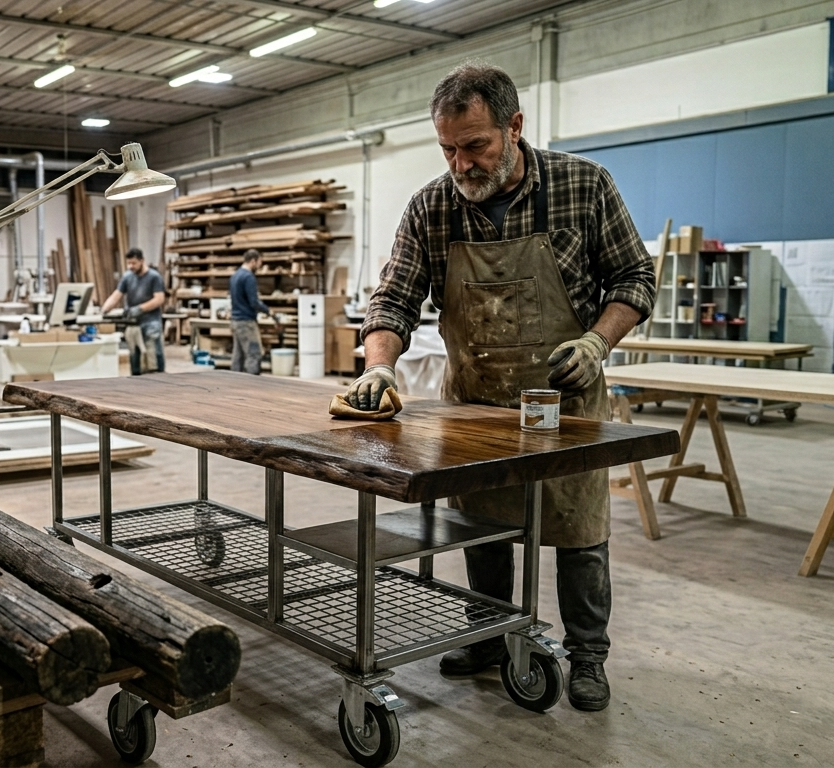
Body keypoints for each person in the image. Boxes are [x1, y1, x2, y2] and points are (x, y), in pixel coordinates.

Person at [345, 61, 655, 712]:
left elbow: (633, 277)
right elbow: (393, 300)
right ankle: (487, 637)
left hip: (564, 404)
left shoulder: (583, 185)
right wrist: (379, 366)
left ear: (514, 126)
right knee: (480, 527)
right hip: (475, 405)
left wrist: (596, 342)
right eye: (448, 149)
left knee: (577, 531)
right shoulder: (431, 206)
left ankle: (586, 657)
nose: (461, 165)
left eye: (475, 145)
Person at [101, 248, 166, 375]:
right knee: (135, 358)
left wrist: (140, 308)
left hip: (151, 323)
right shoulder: (127, 277)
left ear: (142, 261)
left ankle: (158, 380)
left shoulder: (154, 277)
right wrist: (104, 310)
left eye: (134, 263)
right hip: (133, 323)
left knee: (153, 358)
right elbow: (116, 295)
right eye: (128, 263)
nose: (131, 266)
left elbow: (159, 299)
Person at [228, 249, 270, 375]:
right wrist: (268, 311)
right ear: (253, 261)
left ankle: (233, 382)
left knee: (238, 356)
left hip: (235, 321)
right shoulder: (248, 277)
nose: (260, 265)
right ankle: (253, 384)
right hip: (246, 322)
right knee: (254, 354)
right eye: (259, 262)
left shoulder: (235, 276)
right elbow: (253, 302)